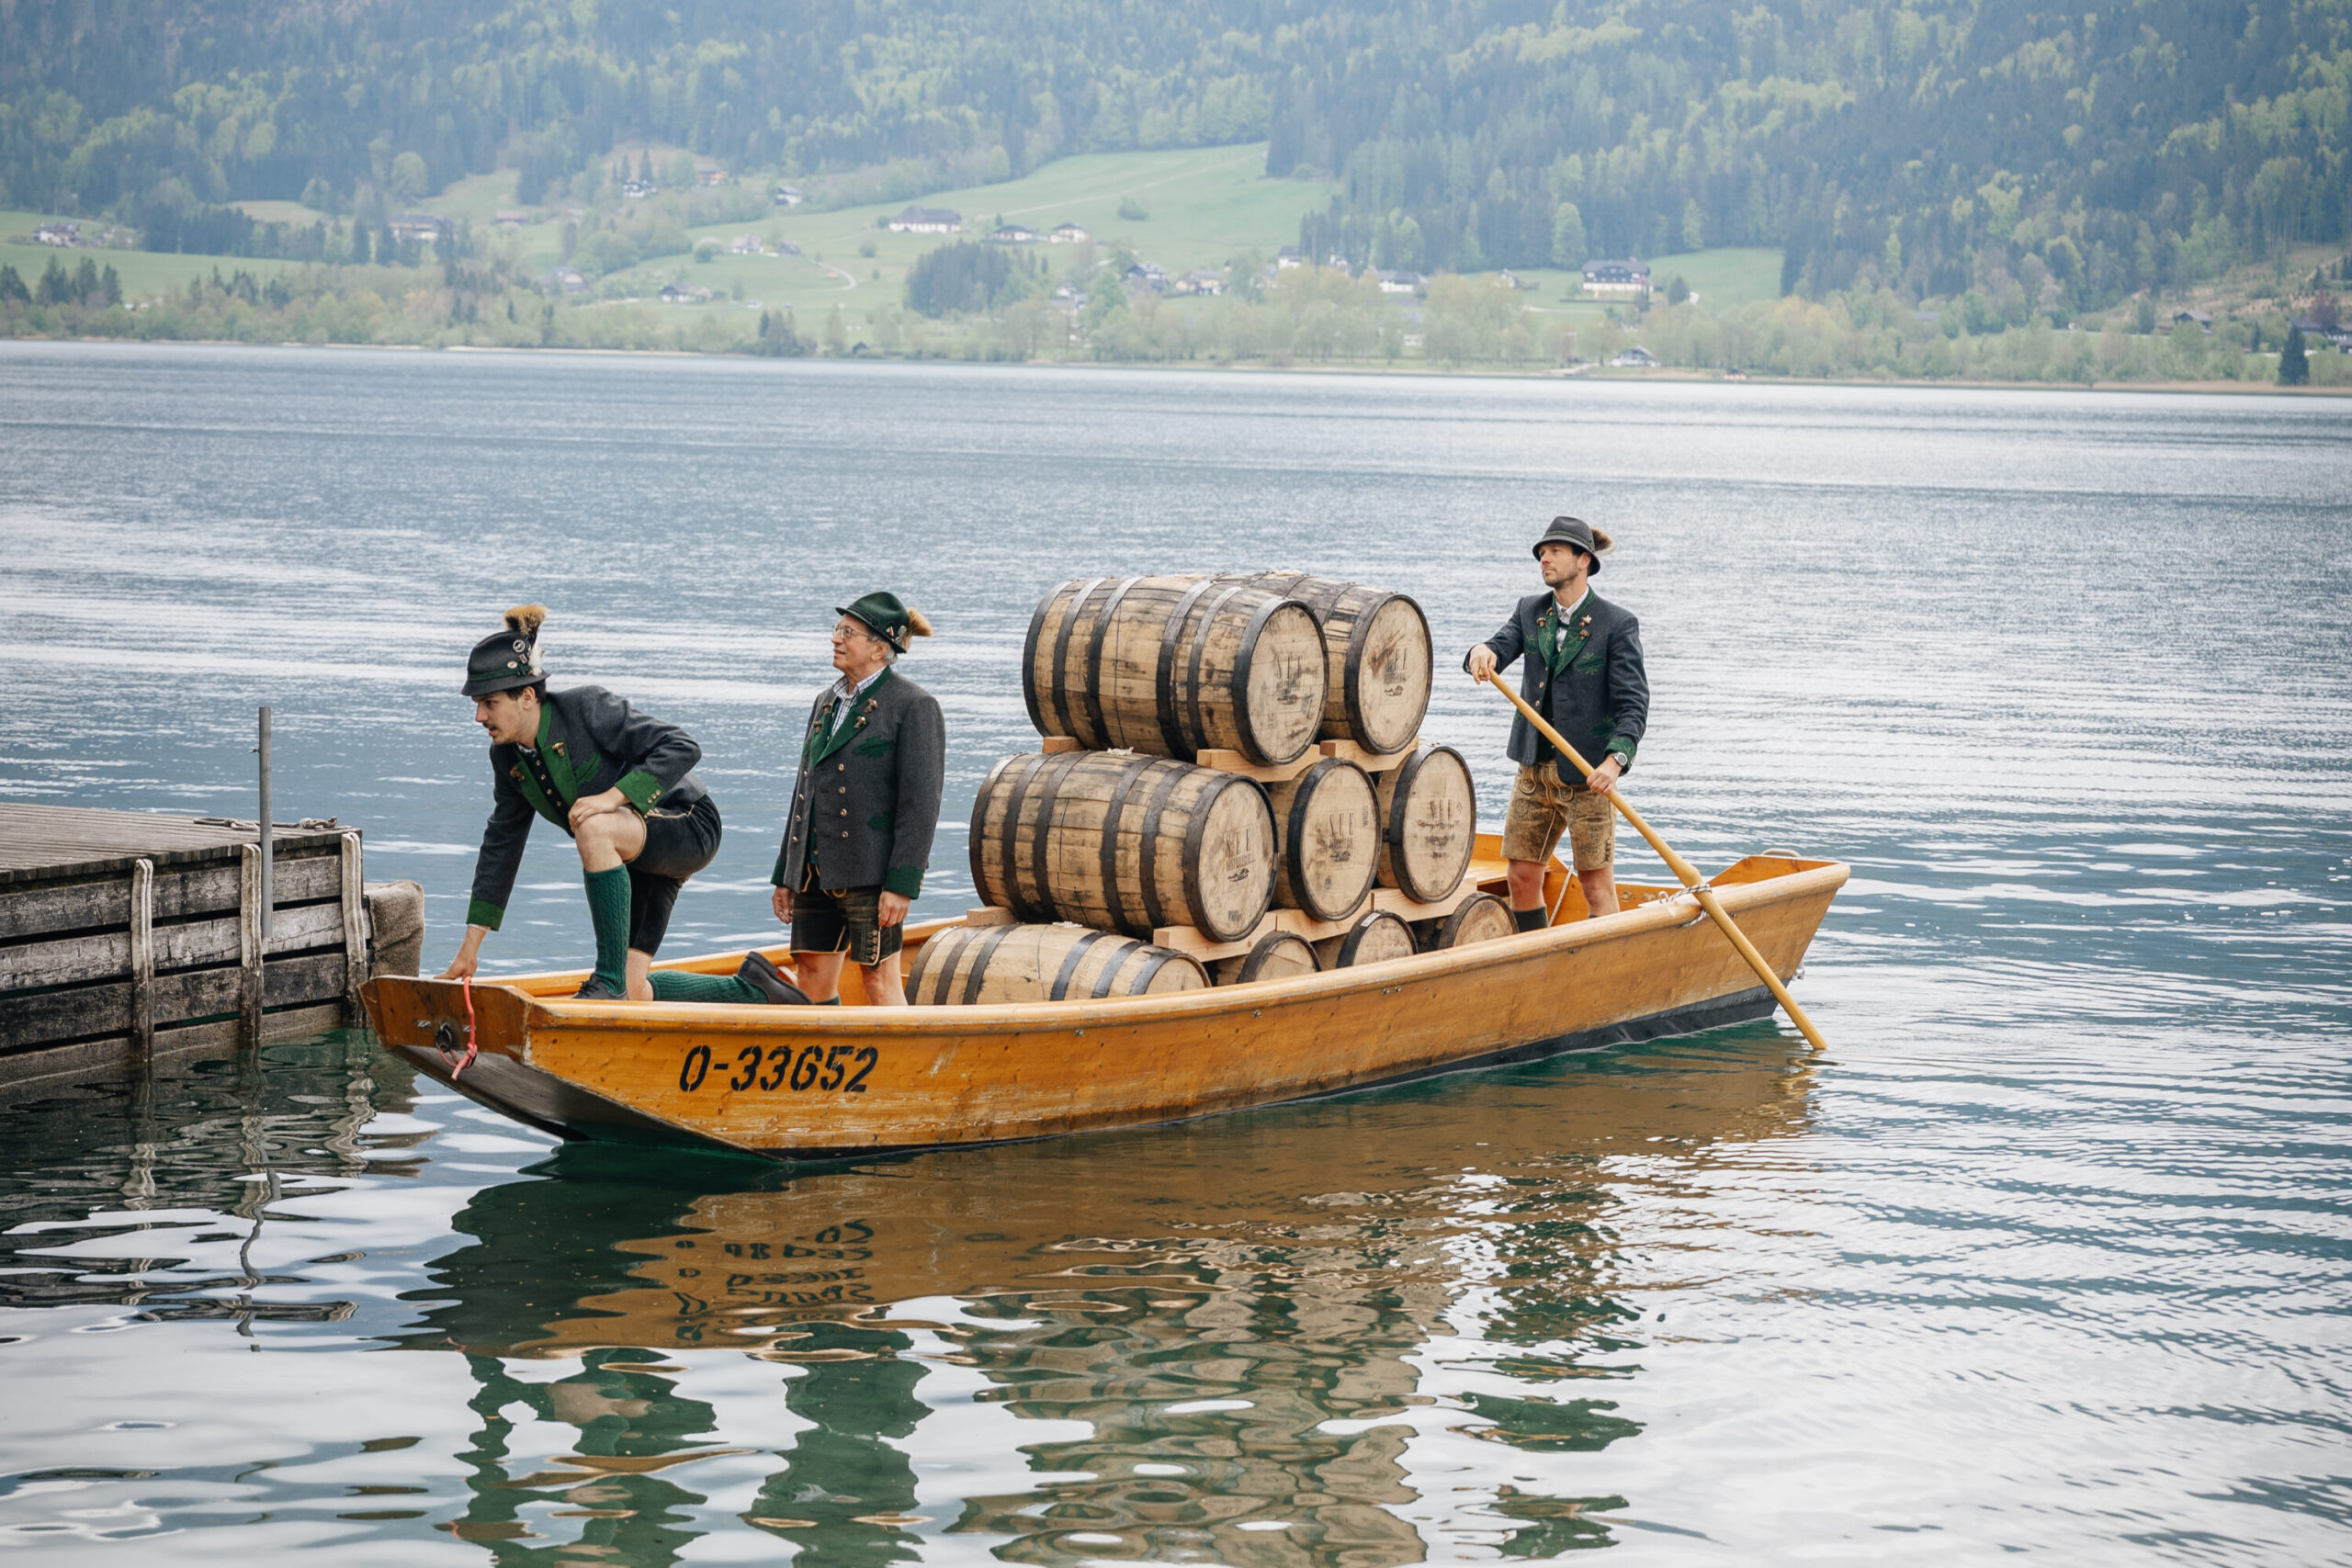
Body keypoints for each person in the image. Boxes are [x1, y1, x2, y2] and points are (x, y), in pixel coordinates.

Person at [440, 604, 726, 1000]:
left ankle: (605, 982)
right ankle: (761, 991)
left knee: (592, 825)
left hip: (688, 822)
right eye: (477, 703)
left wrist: (611, 798)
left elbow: (682, 746)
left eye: (489, 703)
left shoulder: (586, 708)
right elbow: (501, 844)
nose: (478, 716)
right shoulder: (506, 758)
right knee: (635, 990)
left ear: (526, 696)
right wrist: (470, 948)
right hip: (637, 856)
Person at [1464, 516, 1649, 929]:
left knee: (1596, 886)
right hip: (1533, 771)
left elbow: (1634, 703)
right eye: (1541, 553)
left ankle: (1602, 972)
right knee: (1521, 875)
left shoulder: (1616, 624)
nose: (1543, 558)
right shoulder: (1529, 611)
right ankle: (1537, 960)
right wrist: (1481, 652)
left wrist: (1615, 761)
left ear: (1583, 560)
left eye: (1554, 552)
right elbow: (1498, 646)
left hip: (1589, 777)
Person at [772, 592, 946, 1005]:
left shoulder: (914, 706)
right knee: (811, 977)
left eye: (848, 632)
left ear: (880, 647)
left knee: (878, 979)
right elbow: (805, 790)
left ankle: (902, 1067)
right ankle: (822, 1066)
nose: (836, 639)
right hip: (815, 871)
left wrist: (902, 884)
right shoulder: (826, 702)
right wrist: (787, 872)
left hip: (872, 875)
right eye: (837, 630)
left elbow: (921, 805)